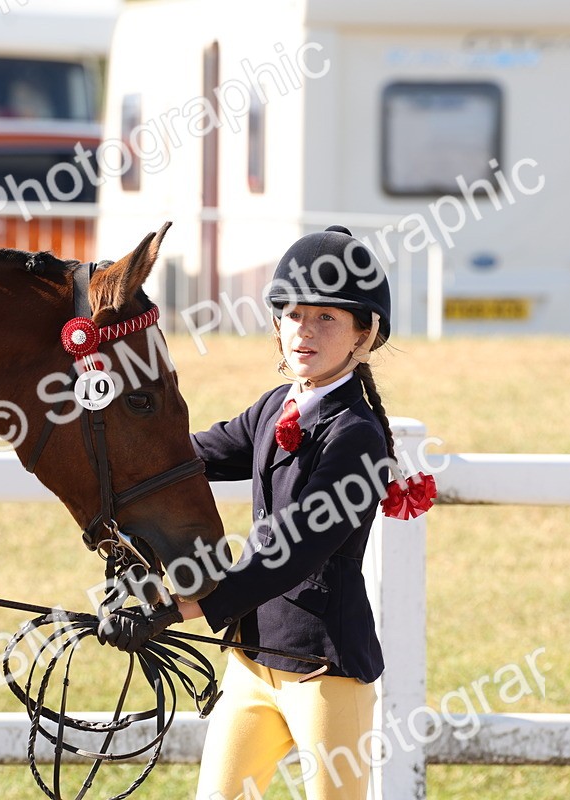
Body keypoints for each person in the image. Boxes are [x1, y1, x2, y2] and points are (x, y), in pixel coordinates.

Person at [98, 225, 432, 799]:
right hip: (252, 661)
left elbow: (293, 552)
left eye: (326, 317)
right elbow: (193, 457)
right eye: (293, 314)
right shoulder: (277, 405)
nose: (304, 330)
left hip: (324, 672)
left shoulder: (356, 436)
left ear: (365, 333)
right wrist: (110, 446)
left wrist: (177, 609)